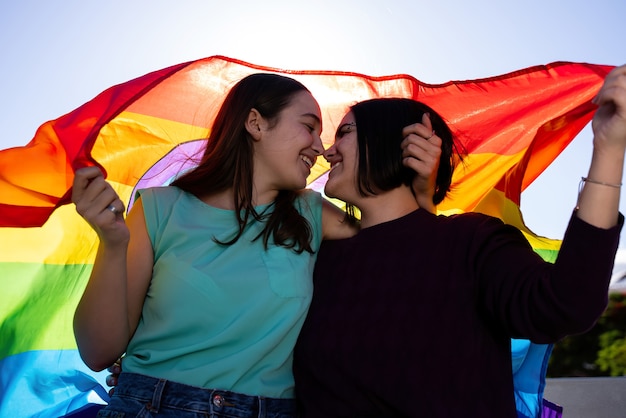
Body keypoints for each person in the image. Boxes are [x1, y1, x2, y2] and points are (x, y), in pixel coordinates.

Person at [71, 73, 438, 417]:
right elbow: (98, 351)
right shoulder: (158, 209)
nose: (321, 148)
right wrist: (113, 244)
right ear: (256, 123)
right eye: (309, 127)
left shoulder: (312, 214)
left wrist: (423, 191)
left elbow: (407, 253)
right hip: (150, 406)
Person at [292, 64, 626, 417]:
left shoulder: (471, 242)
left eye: (343, 132)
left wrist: (607, 150)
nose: (327, 152)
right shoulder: (317, 256)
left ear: (394, 142)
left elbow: (566, 305)